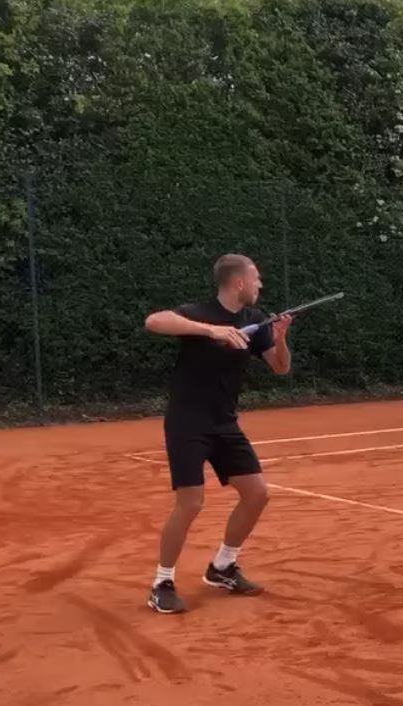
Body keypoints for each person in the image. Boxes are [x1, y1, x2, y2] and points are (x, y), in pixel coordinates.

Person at [143, 254, 294, 614]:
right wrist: (211, 330)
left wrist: (281, 338)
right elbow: (154, 321)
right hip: (187, 420)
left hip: (225, 421)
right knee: (191, 502)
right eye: (256, 278)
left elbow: (280, 368)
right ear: (238, 282)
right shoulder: (199, 311)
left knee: (257, 494)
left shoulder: (256, 320)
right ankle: (162, 582)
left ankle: (223, 566)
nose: (261, 285)